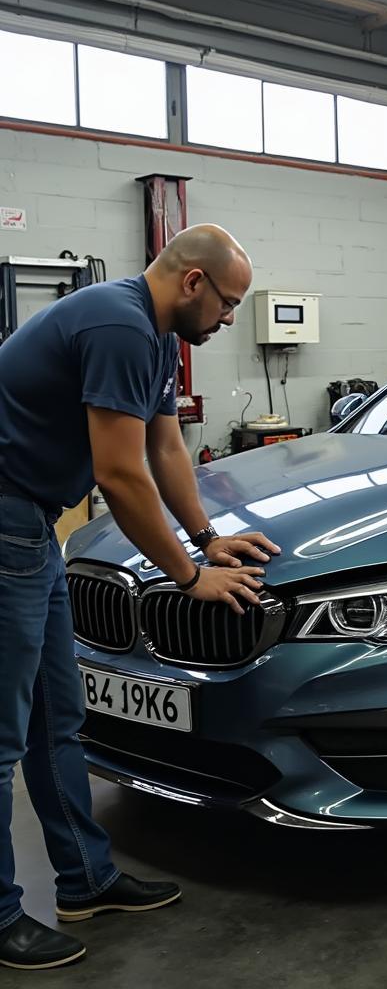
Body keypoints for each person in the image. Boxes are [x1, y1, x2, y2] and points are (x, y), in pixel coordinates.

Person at [0, 224, 281, 970]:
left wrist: (207, 537)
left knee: (58, 717)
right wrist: (191, 579)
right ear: (193, 282)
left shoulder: (156, 336)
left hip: (30, 524)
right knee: (3, 735)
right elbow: (121, 476)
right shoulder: (118, 325)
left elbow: (164, 448)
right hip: (6, 522)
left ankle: (86, 881)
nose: (229, 319)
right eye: (228, 303)